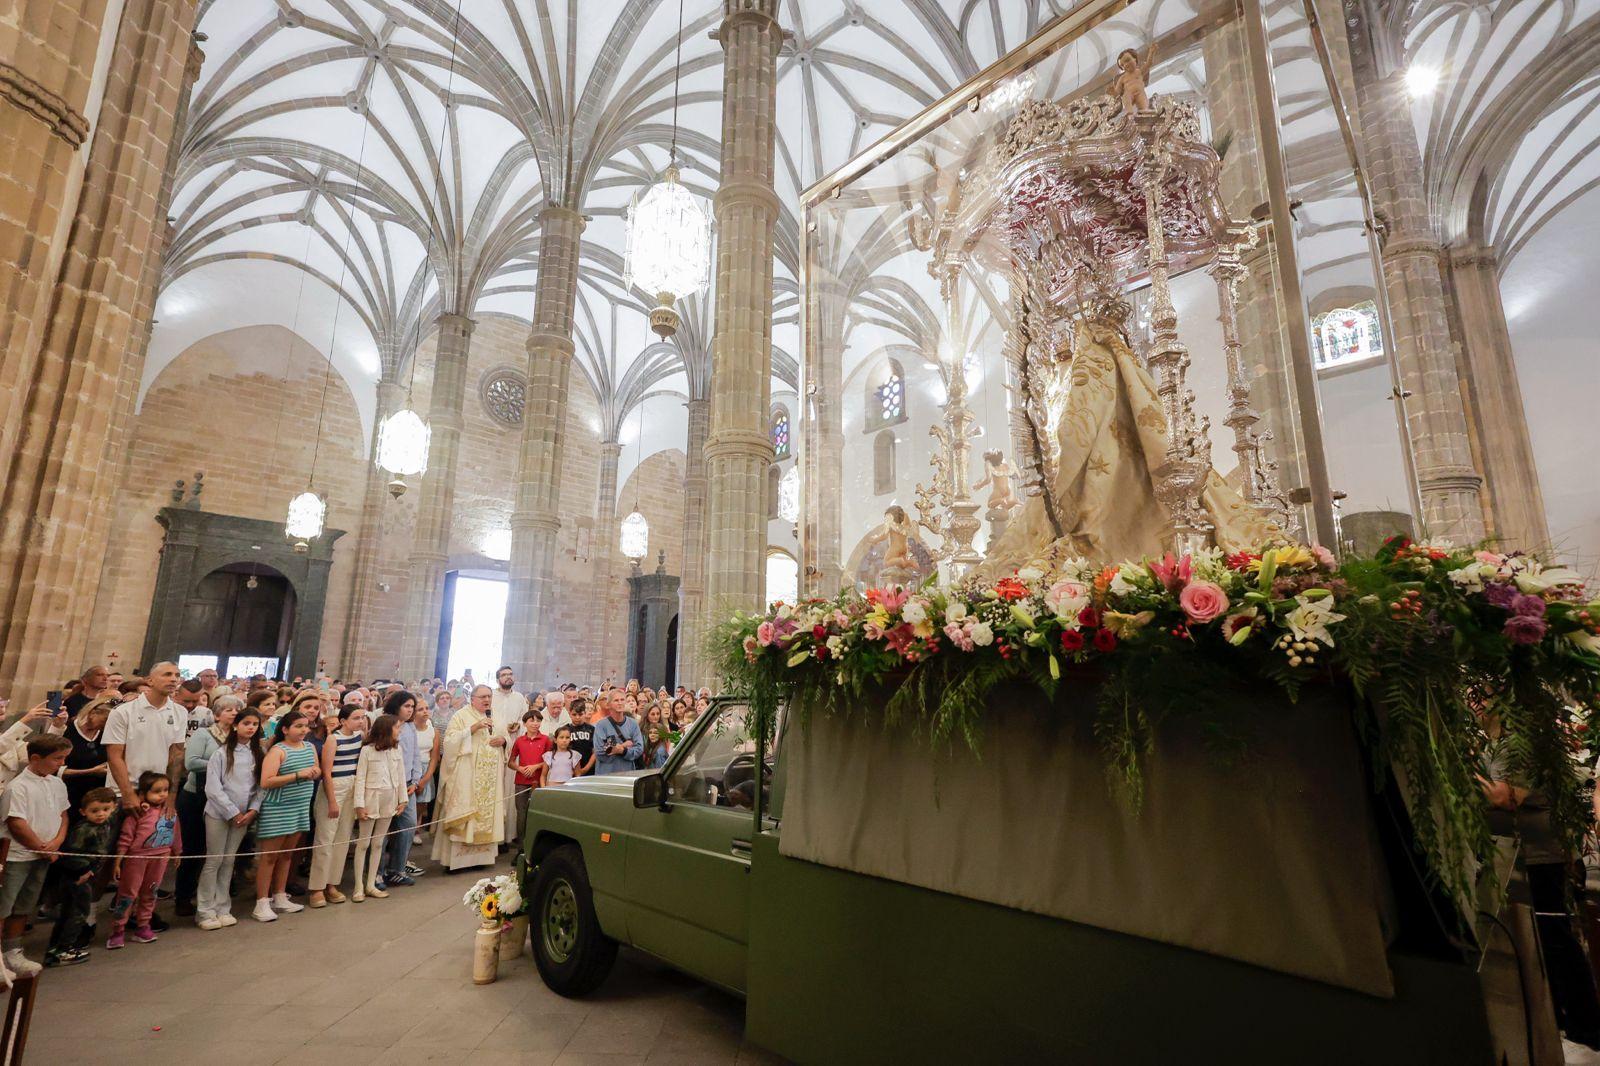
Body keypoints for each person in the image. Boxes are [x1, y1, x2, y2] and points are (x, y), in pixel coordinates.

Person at [0, 735, 72, 976]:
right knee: (4, 906)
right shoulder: (18, 787)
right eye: (57, 759)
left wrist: (57, 842)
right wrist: (41, 847)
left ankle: (13, 951)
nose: (61, 763)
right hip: (17, 857)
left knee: (24, 906)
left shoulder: (56, 784)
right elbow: (16, 823)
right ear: (35, 759)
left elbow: (63, 815)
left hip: (43, 855)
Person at [173, 693, 239, 918]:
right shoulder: (204, 734)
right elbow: (191, 762)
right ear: (218, 713)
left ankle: (214, 895)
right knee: (194, 846)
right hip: (196, 796)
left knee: (218, 849)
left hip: (225, 797)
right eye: (228, 709)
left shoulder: (238, 737)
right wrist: (224, 763)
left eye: (236, 710)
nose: (233, 713)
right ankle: (183, 895)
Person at [430, 685, 507, 872]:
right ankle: (456, 862)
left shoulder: (495, 716)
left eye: (489, 696)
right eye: (482, 697)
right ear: (472, 698)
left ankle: (481, 859)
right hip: (467, 776)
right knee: (464, 815)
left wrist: (504, 742)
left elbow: (505, 737)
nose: (486, 700)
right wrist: (472, 728)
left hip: (489, 779)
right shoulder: (460, 715)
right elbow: (448, 742)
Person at [198, 708, 263, 930]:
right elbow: (213, 788)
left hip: (244, 815)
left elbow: (258, 787)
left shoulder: (257, 753)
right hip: (219, 813)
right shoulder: (222, 753)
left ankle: (222, 907)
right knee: (214, 860)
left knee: (229, 861)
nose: (251, 727)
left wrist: (253, 810)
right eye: (246, 723)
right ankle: (205, 910)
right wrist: (232, 811)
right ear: (236, 725)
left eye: (255, 724)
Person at [252, 708, 319, 922]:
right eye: (298, 726)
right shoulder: (278, 751)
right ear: (285, 729)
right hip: (279, 808)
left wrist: (314, 772)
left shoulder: (309, 747)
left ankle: (280, 895)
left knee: (288, 854)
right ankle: (262, 901)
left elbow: (315, 768)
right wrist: (298, 775)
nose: (303, 730)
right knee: (270, 856)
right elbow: (267, 781)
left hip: (300, 806)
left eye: (305, 726)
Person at [43, 787, 118, 966]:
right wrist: (81, 872)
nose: (101, 814)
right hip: (76, 876)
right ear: (83, 812)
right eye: (94, 811)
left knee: (71, 911)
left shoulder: (106, 822)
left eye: (106, 809)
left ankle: (57, 948)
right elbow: (71, 854)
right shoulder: (84, 829)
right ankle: (63, 948)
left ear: (113, 808)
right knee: (76, 912)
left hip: (88, 873)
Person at [108, 771, 181, 949]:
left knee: (151, 892)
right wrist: (118, 861)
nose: (162, 794)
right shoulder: (137, 813)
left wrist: (177, 852)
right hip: (137, 858)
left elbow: (176, 833)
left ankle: (143, 926)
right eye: (157, 791)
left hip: (161, 857)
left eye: (165, 790)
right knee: (128, 894)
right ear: (142, 794)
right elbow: (125, 838)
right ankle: (118, 930)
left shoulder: (170, 812)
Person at [104, 661, 186, 816]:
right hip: (123, 791)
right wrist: (128, 794)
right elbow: (114, 756)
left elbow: (176, 756)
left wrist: (171, 796)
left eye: (177, 675)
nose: (174, 679)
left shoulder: (180, 712)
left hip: (157, 791)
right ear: (150, 681)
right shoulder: (123, 712)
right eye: (167, 674)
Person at [308, 704, 366, 908]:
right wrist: (332, 800)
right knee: (325, 838)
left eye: (362, 717)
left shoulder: (359, 737)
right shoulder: (334, 739)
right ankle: (317, 887)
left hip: (351, 786)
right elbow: (327, 771)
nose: (360, 721)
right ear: (343, 721)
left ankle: (332, 883)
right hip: (334, 788)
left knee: (343, 838)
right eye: (356, 718)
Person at [351, 713, 407, 902]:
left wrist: (403, 799)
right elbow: (360, 778)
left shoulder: (396, 750)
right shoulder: (368, 750)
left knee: (378, 843)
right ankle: (358, 885)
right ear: (387, 729)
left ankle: (371, 883)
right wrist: (359, 804)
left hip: (389, 799)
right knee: (363, 843)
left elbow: (400, 775)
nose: (399, 731)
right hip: (370, 799)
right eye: (397, 727)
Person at [379, 690, 425, 888]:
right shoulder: (386, 723)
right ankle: (377, 872)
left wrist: (415, 780)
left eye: (412, 707)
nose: (410, 710)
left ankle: (396, 869)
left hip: (407, 785)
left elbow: (415, 755)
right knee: (382, 830)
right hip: (388, 785)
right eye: (407, 706)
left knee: (407, 827)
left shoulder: (410, 727)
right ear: (396, 706)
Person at [61, 696, 111, 812]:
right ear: (93, 712)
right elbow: (55, 770)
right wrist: (91, 771)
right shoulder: (67, 729)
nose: (106, 725)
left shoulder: (105, 734)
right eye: (105, 720)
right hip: (68, 794)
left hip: (96, 801)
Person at [508, 708, 550, 845]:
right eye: (532, 721)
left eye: (538, 721)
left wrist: (536, 766)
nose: (535, 723)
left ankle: (534, 844)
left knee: (536, 812)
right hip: (521, 782)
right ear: (525, 723)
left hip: (538, 782)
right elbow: (511, 762)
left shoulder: (546, 740)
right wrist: (520, 768)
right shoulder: (519, 741)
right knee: (521, 813)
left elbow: (550, 760)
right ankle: (521, 845)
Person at [593, 690, 644, 775]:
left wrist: (623, 751)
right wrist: (623, 745)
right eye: (616, 700)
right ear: (608, 704)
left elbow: (639, 748)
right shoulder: (601, 725)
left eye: (622, 700)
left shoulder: (633, 724)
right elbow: (599, 752)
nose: (620, 703)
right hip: (606, 774)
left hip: (627, 773)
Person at [566, 697, 596, 776]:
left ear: (585, 713)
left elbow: (595, 752)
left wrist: (585, 769)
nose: (577, 717)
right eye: (574, 714)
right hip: (569, 770)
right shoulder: (565, 730)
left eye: (580, 714)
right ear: (569, 713)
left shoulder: (592, 729)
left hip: (589, 769)